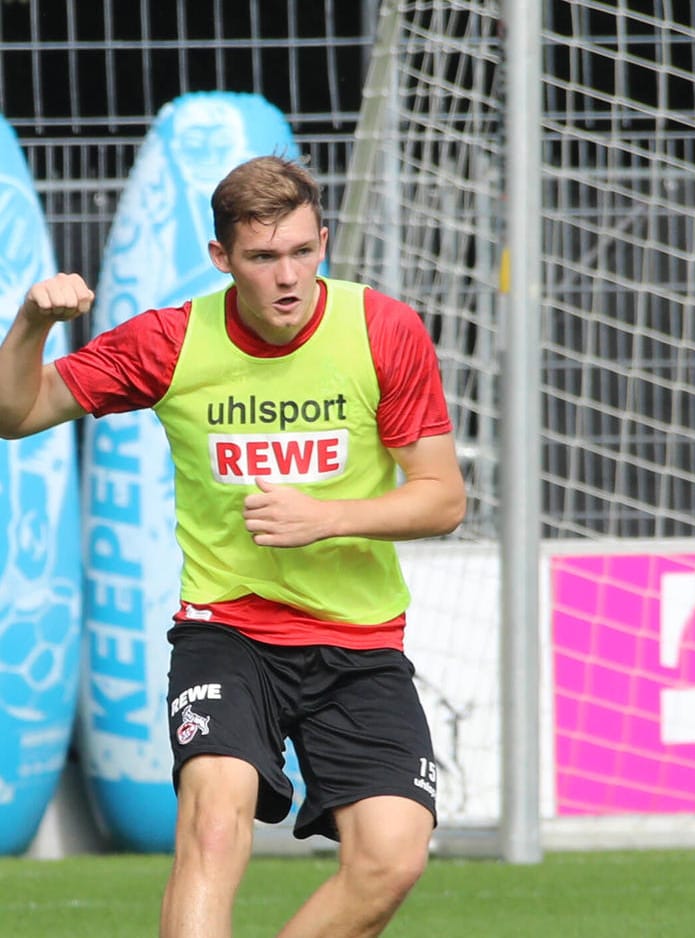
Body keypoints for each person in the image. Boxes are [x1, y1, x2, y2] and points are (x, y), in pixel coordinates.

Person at [0, 155, 467, 937]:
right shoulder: (171, 341)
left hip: (359, 638)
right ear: (223, 259)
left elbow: (443, 496)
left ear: (323, 239)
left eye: (301, 252)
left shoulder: (382, 328)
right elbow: (17, 414)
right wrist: (31, 325)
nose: (287, 277)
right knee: (215, 818)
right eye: (261, 258)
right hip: (229, 631)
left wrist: (328, 517)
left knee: (392, 857)